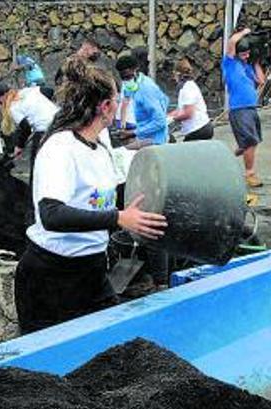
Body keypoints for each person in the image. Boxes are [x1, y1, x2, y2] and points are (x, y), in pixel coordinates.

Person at [15, 56, 167, 333]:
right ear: (106, 106)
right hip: (51, 276)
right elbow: (51, 215)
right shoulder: (61, 148)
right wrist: (118, 217)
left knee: (113, 348)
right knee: (50, 367)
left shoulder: (100, 147)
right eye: (117, 100)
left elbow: (99, 202)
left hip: (92, 270)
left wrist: (135, 212)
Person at [223, 28, 266, 188]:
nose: (246, 56)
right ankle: (249, 173)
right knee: (250, 142)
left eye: (248, 53)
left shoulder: (245, 65)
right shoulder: (230, 63)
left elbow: (261, 81)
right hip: (239, 109)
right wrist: (246, 32)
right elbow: (232, 42)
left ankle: (226, 159)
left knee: (253, 141)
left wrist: (255, 62)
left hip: (251, 108)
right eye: (244, 54)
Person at [0, 81, 59, 179]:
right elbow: (50, 91)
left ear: (1, 98)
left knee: (37, 166)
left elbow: (26, 128)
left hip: (44, 131)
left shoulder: (13, 107)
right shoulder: (28, 90)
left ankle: (34, 191)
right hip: (60, 123)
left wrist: (19, 146)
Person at [115, 53, 169, 145]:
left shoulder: (146, 88)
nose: (127, 80)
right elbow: (125, 101)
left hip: (155, 139)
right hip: (141, 133)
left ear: (136, 70)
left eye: (128, 77)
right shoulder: (130, 84)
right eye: (123, 78)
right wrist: (122, 126)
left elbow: (160, 121)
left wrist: (132, 133)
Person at [169, 59, 212, 142]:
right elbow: (181, 109)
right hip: (197, 128)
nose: (174, 78)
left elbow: (188, 113)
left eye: (174, 74)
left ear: (177, 74)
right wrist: (167, 117)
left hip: (198, 128)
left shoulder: (187, 88)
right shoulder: (187, 86)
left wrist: (174, 119)